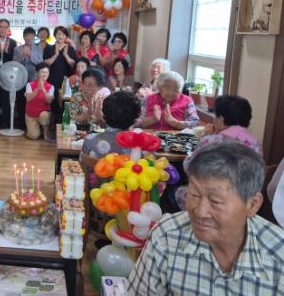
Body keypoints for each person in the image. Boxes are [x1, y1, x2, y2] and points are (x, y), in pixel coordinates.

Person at [128, 143, 284, 295]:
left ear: (252, 205)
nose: (200, 212)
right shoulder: (166, 235)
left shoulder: (279, 257)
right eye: (194, 194)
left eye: (216, 201)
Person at [81, 91, 140, 158]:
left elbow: (82, 163)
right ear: (136, 117)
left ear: (104, 115)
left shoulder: (90, 140)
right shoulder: (141, 148)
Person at [13, 27, 43, 130]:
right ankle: (21, 124)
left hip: (33, 79)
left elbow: (41, 64)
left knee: (32, 102)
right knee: (20, 101)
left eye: (31, 36)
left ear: (34, 37)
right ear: (24, 37)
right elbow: (14, 63)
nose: (29, 38)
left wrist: (30, 55)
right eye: (27, 36)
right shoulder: (17, 49)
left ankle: (32, 125)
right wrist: (22, 55)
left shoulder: (39, 48)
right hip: (20, 79)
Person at [44, 26, 76, 120]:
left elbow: (73, 64)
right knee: (52, 100)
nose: (60, 36)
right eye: (58, 34)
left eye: (63, 34)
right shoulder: (49, 48)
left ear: (66, 36)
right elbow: (45, 63)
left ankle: (63, 122)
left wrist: (65, 55)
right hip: (52, 78)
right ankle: (53, 123)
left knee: (65, 101)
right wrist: (56, 55)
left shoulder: (70, 49)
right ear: (55, 35)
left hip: (66, 80)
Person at [0, 19, 17, 129]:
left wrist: (6, 51)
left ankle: (6, 123)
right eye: (1, 26)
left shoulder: (13, 42)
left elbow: (13, 60)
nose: (3, 29)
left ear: (8, 28)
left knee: (6, 99)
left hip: (8, 74)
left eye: (5, 27)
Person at [25, 63, 54, 141]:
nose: (45, 74)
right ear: (37, 73)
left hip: (43, 114)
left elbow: (49, 100)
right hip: (31, 115)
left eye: (47, 72)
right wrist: (37, 89)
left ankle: (45, 133)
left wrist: (43, 88)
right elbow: (28, 98)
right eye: (42, 72)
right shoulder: (29, 84)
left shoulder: (51, 87)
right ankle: (36, 129)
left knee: (44, 115)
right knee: (33, 136)